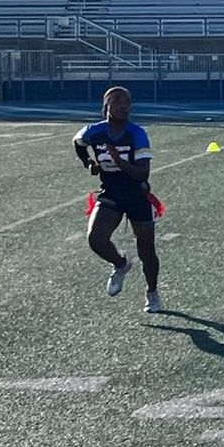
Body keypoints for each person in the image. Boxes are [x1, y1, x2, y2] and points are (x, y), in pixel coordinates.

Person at [74, 86, 163, 313]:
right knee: (96, 238)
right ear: (106, 107)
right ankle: (121, 264)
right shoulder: (94, 131)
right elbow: (78, 141)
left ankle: (152, 292)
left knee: (147, 252)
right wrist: (88, 163)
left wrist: (120, 162)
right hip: (111, 193)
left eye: (128, 102)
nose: (124, 106)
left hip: (137, 195)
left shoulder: (137, 133)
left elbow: (143, 173)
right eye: (118, 102)